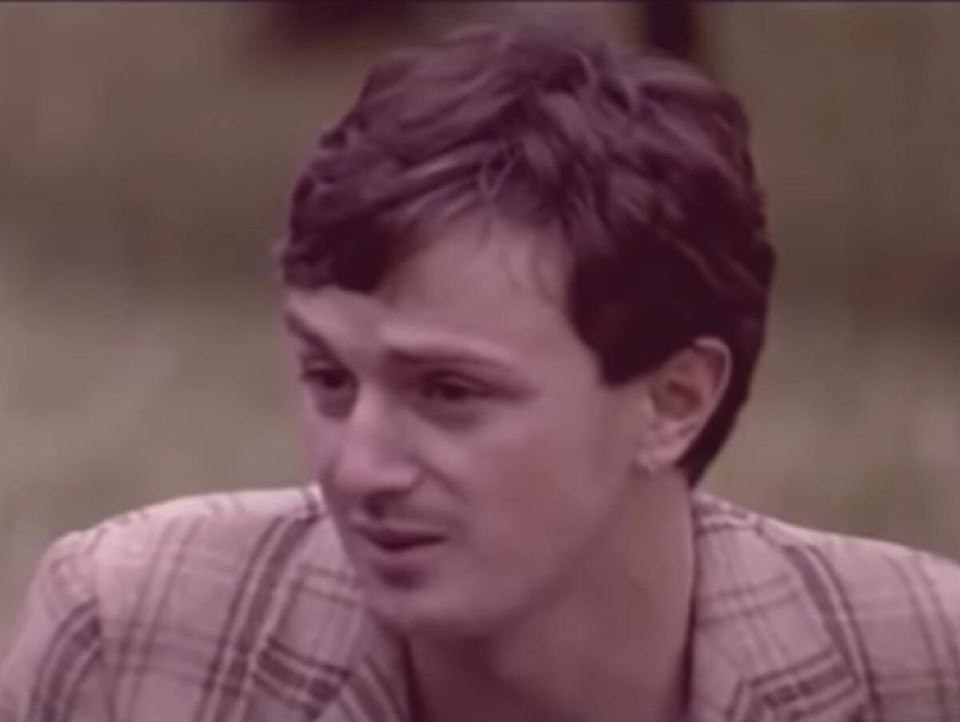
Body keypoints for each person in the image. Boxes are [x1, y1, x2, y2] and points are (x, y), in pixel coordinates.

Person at [2, 23, 959, 722]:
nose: (359, 468)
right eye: (330, 379)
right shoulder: (137, 640)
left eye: (449, 392)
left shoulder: (919, 671)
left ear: (673, 402)